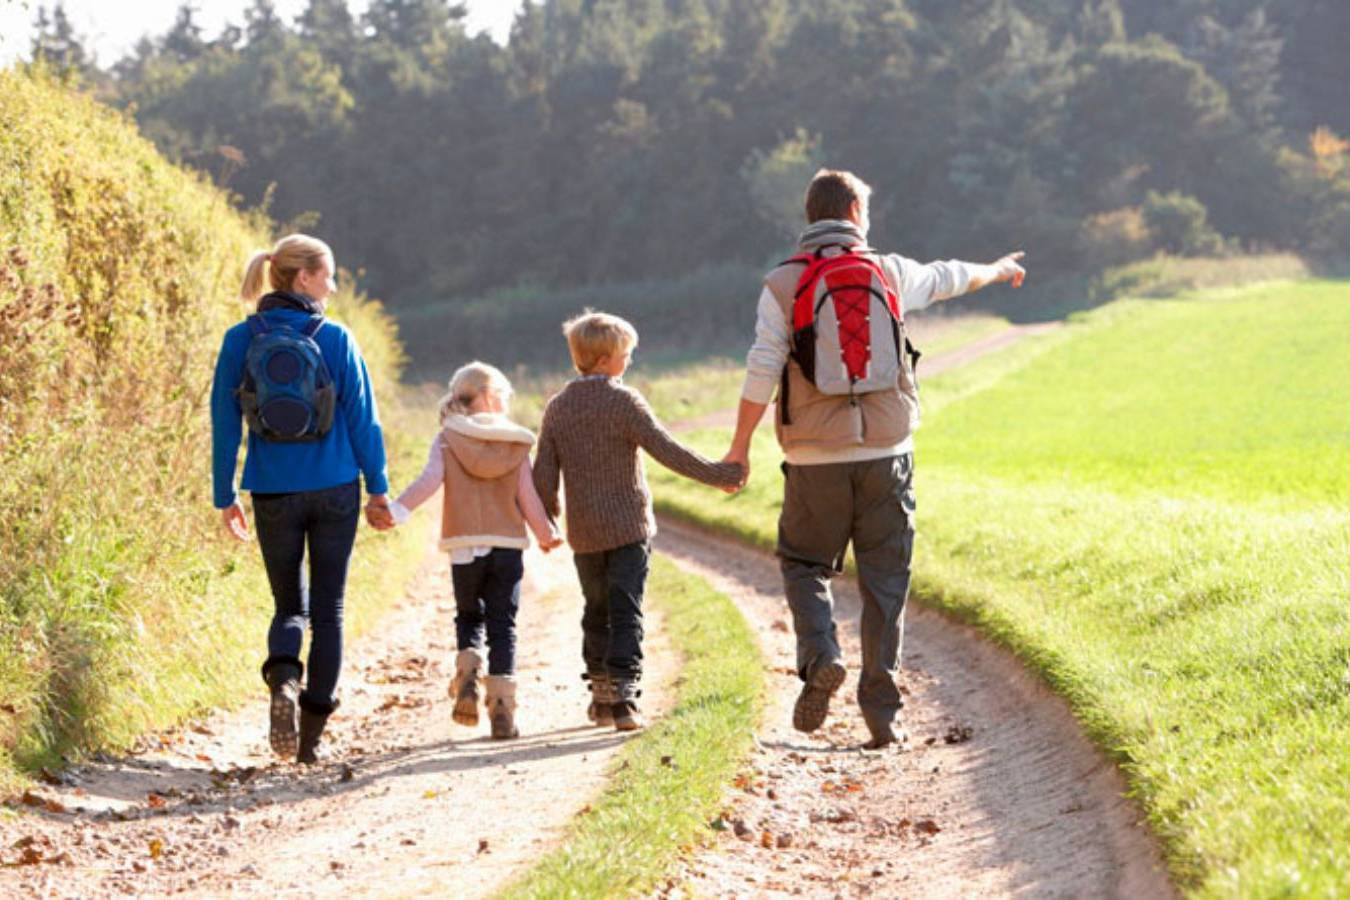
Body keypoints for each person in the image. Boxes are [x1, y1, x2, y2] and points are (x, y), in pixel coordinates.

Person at [722, 169, 1027, 749]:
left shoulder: (782, 285)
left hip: (814, 457)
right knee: (886, 581)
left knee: (805, 564)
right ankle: (882, 716)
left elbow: (762, 366)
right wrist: (1000, 269)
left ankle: (821, 659)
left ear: (811, 217)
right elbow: (950, 277)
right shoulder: (889, 271)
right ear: (857, 212)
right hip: (889, 453)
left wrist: (738, 449)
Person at [211, 233, 393, 765]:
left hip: (272, 488)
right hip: (336, 486)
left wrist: (225, 493)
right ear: (303, 278)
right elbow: (364, 421)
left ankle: (284, 679)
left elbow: (225, 424)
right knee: (330, 610)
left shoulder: (239, 340)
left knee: (291, 605)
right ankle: (310, 741)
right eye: (328, 276)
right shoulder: (335, 338)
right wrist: (378, 489)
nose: (333, 287)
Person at [533, 311, 744, 731]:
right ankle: (625, 700)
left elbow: (544, 472)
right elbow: (667, 450)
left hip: (586, 532)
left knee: (596, 610)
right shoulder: (624, 401)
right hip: (629, 528)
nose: (629, 362)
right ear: (606, 358)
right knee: (626, 609)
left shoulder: (558, 407)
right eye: (626, 354)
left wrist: (547, 523)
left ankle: (601, 696)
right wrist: (719, 475)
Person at [383, 361, 562, 739]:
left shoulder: (447, 438)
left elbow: (429, 481)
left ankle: (467, 672)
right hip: (507, 545)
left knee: (469, 616)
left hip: (464, 544)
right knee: (503, 624)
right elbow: (527, 496)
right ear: (489, 396)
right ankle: (501, 708)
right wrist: (546, 534)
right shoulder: (515, 442)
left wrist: (398, 510)